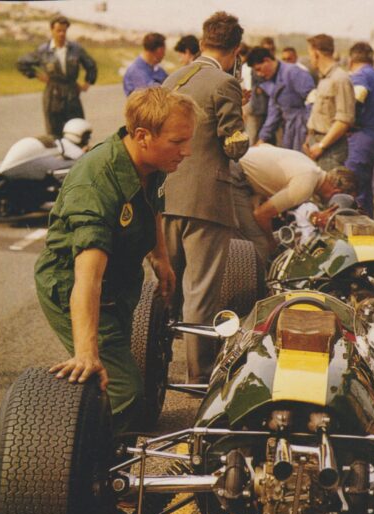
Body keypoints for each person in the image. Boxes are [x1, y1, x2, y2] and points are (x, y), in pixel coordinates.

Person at [34, 87, 195, 438]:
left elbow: (152, 206)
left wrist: (161, 258)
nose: (187, 151)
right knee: (123, 393)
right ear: (142, 136)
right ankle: (91, 474)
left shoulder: (154, 162)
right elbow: (86, 279)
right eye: (178, 141)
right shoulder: (96, 182)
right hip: (73, 286)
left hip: (119, 283)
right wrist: (86, 353)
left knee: (118, 376)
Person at [162, 11, 248, 384]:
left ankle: (154, 365)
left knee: (165, 285)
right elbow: (234, 146)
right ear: (236, 49)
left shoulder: (172, 78)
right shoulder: (223, 83)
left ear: (202, 42)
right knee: (199, 291)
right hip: (207, 201)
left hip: (166, 197)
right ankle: (198, 377)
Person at [230, 144, 357, 260]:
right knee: (260, 244)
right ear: (336, 191)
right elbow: (261, 215)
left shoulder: (311, 167)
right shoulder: (306, 185)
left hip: (237, 165)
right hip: (234, 173)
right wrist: (270, 242)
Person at [17, 15, 97, 138]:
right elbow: (22, 63)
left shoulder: (75, 49)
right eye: (58, 30)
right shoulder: (43, 50)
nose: (61, 34)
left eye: (64, 31)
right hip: (52, 94)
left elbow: (91, 65)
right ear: (52, 30)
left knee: (79, 130)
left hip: (72, 92)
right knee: (54, 134)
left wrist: (88, 82)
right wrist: (36, 75)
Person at [345, 42, 374, 218]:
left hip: (361, 141)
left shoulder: (361, 75)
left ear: (351, 59)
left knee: (352, 194)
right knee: (366, 195)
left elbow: (358, 96)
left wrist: (349, 122)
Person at [246, 47, 315, 151]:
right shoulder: (271, 81)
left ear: (267, 61)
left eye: (259, 69)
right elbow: (273, 113)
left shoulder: (293, 72)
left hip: (304, 127)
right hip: (289, 129)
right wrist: (262, 139)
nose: (259, 74)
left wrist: (311, 132)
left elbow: (313, 101)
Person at [304, 34, 355, 171]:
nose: (309, 59)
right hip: (318, 143)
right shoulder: (325, 79)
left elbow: (344, 120)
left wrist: (322, 146)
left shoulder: (340, 79)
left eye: (310, 53)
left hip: (330, 148)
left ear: (316, 53)